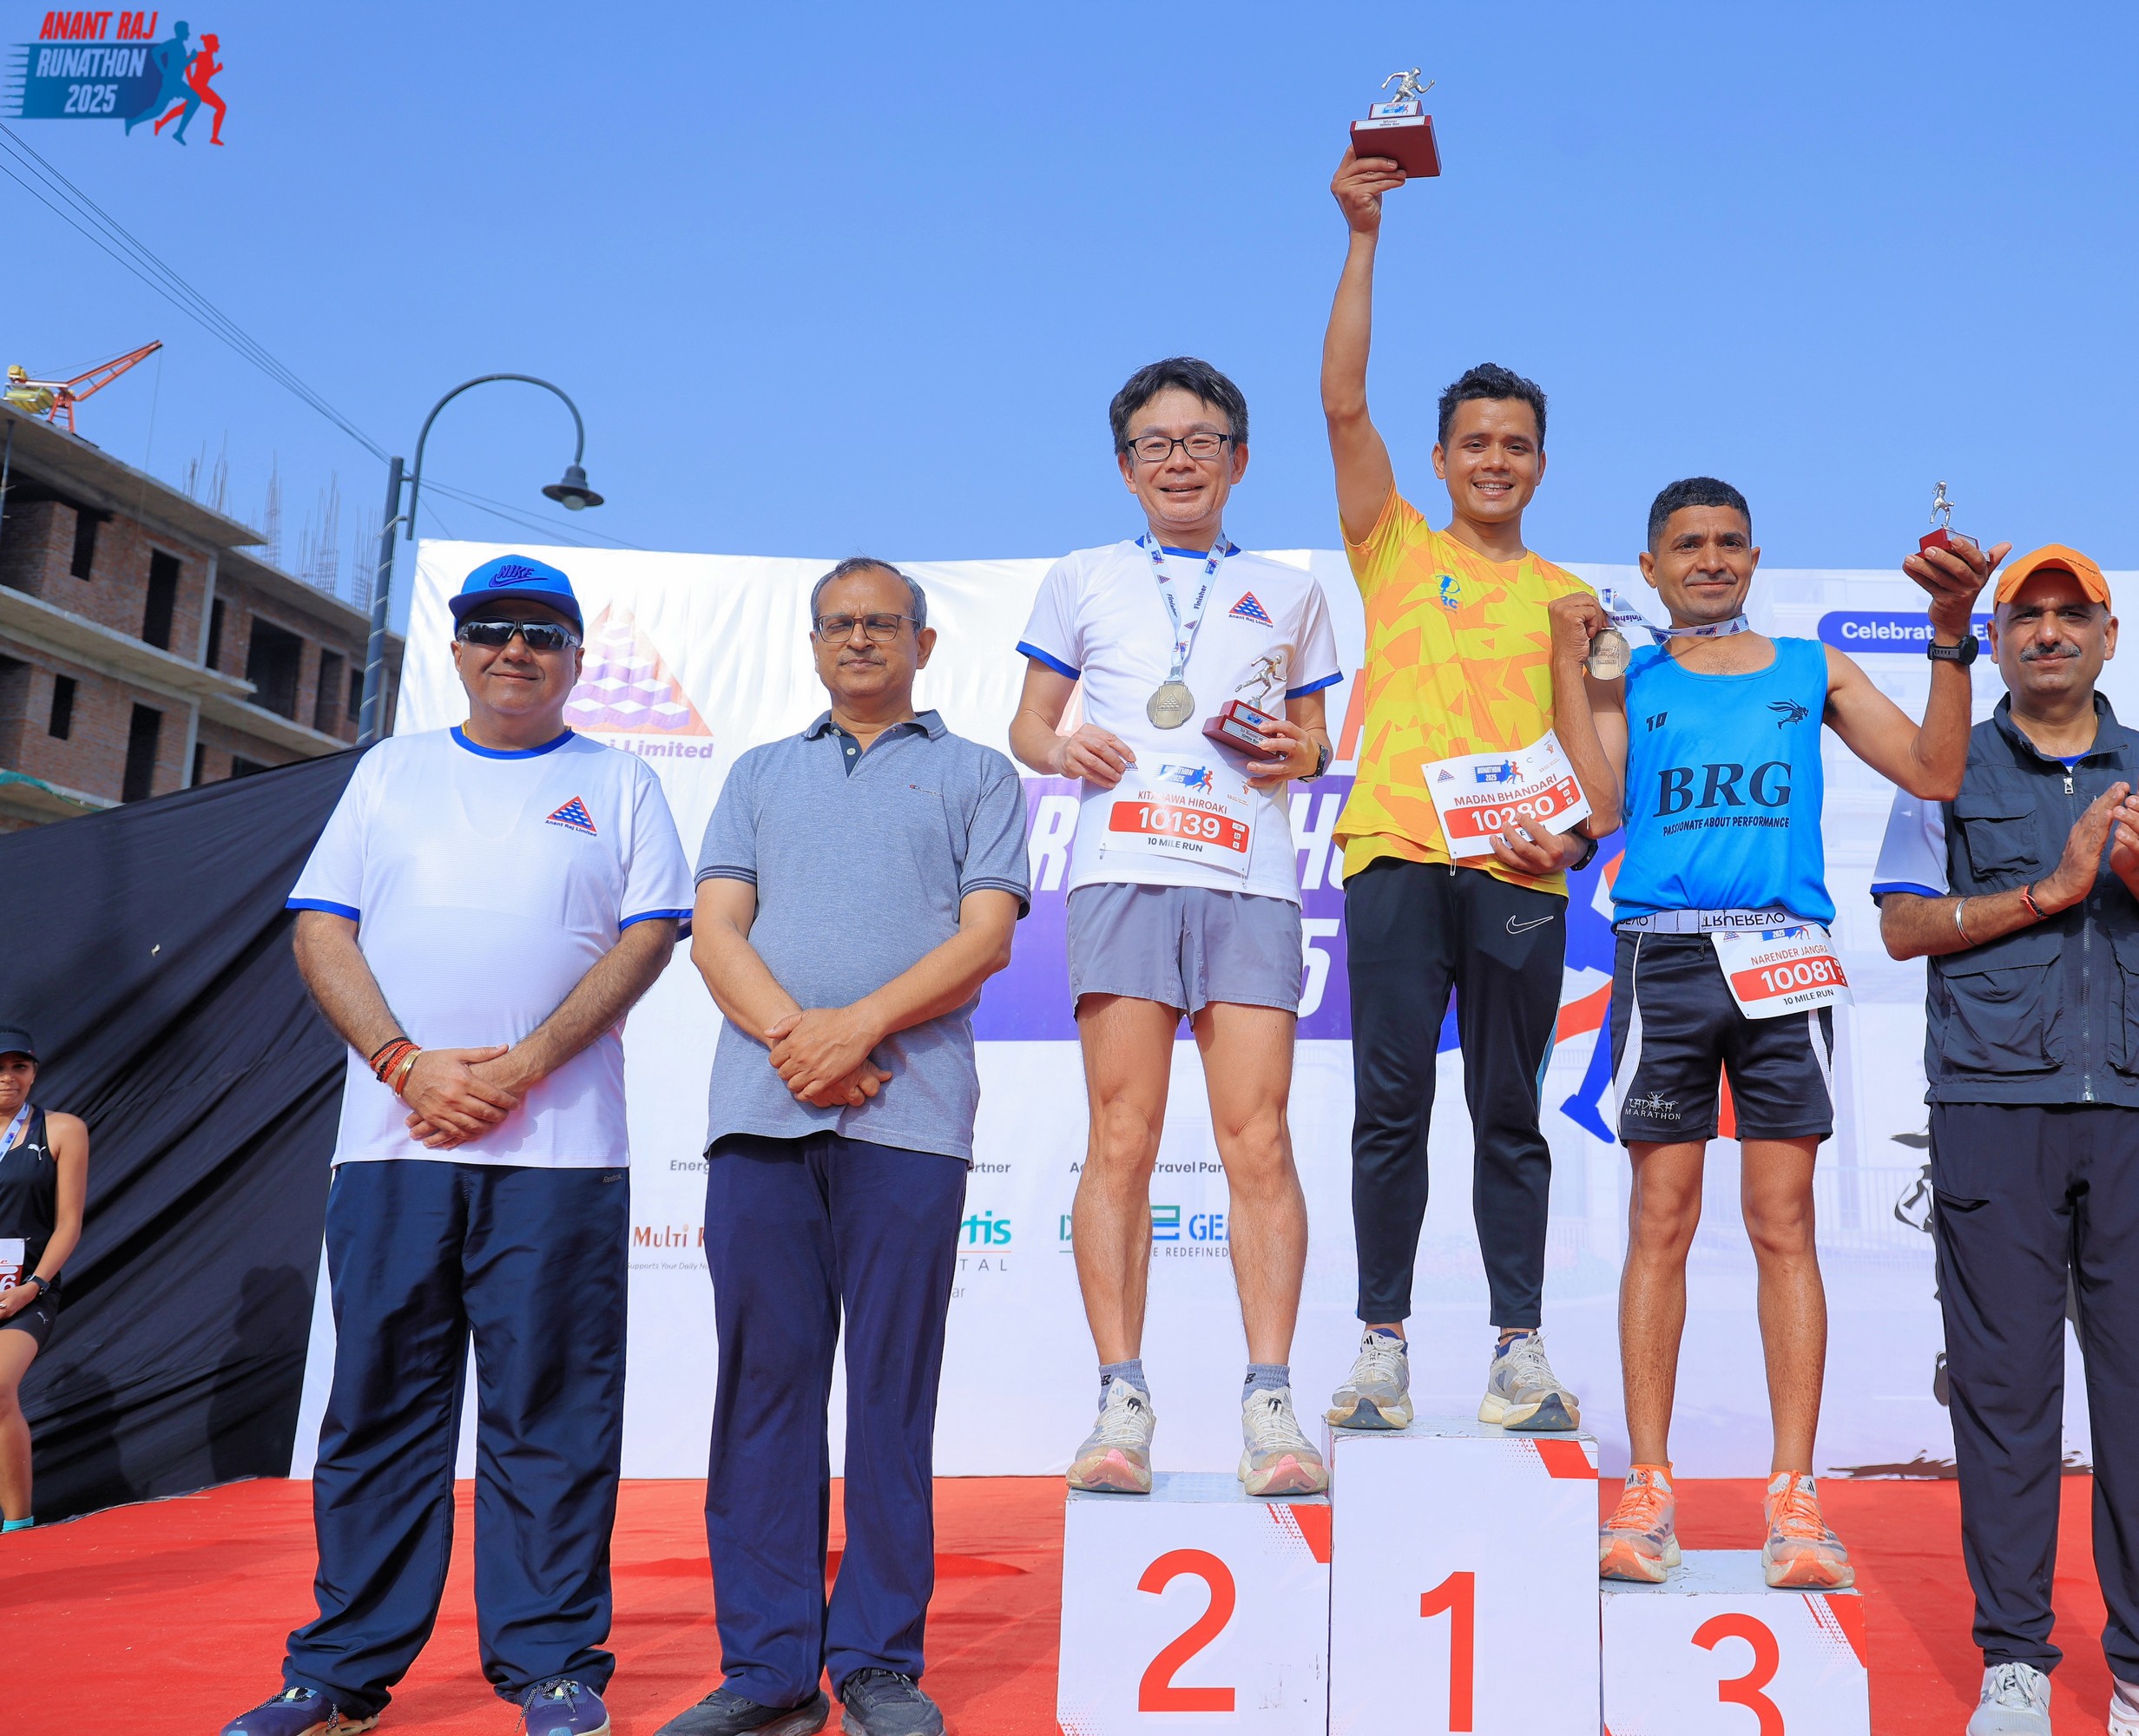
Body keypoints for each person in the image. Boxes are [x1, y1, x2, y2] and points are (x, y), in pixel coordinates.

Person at [226, 555, 693, 1736]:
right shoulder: (391, 771)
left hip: (562, 1154)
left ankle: (552, 1666)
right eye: (490, 629)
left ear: (576, 658)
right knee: (380, 1404)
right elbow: (322, 930)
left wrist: (522, 1066)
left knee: (552, 1413)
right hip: (396, 1145)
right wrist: (404, 1064)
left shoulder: (622, 780)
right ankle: (339, 1672)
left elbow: (648, 939)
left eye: (542, 633)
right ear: (457, 649)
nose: (514, 650)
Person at [1870, 548, 2139, 1736]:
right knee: (2004, 1394)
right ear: (1996, 640)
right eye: (2026, 615)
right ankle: (2015, 1663)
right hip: (1994, 1108)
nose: (2048, 632)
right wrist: (2057, 883)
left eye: (2071, 614)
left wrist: (2138, 872)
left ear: (2107, 634)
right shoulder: (1941, 766)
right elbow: (1903, 928)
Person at [1587, 479, 1998, 1589]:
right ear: (1652, 565)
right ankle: (1649, 1486)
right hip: (1665, 953)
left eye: (1729, 542)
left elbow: (1936, 770)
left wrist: (1950, 640)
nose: (1710, 559)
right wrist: (1579, 679)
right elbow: (1598, 808)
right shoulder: (1632, 673)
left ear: (1755, 559)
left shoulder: (1812, 667)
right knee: (1659, 1220)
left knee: (1784, 1224)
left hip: (1784, 959)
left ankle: (1794, 1496)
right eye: (1687, 544)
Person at [665, 559, 1029, 1736]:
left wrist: (857, 1029)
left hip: (909, 1122)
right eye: (838, 624)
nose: (859, 638)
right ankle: (767, 1670)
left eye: (881, 622)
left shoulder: (979, 773)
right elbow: (715, 932)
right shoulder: (758, 773)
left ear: (924, 643)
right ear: (814, 643)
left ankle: (876, 1661)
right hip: (760, 1117)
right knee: (762, 1394)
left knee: (889, 1394)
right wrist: (800, 1041)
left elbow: (985, 939)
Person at [1318, 148, 1618, 1436]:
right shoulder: (1394, 546)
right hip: (1395, 854)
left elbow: (1602, 764)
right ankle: (1381, 1345)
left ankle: (1518, 1350)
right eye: (1476, 443)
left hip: (1516, 878)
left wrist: (1577, 835)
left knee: (1509, 1112)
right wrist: (1363, 237)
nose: (1496, 460)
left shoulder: (1572, 599)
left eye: (1518, 445)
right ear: (1440, 459)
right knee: (1389, 1107)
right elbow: (1342, 402)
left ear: (1541, 463)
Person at [1009, 358, 1342, 1499]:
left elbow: (1318, 740)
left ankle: (1270, 1404)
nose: (1180, 460)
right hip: (1124, 871)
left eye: (1202, 440)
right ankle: (1121, 1400)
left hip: (1250, 876)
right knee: (1122, 1135)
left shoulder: (1290, 590)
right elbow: (1029, 724)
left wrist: (1299, 750)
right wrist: (1064, 747)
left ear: (1239, 459)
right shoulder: (1083, 576)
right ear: (1126, 467)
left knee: (1259, 1139)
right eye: (1156, 443)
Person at [0, 1026, 89, 1533]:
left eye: (19, 1066)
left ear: (34, 1072)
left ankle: (18, 1526)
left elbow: (68, 1224)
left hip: (27, 1289)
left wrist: (33, 1285)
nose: (8, 1077)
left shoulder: (62, 1130)